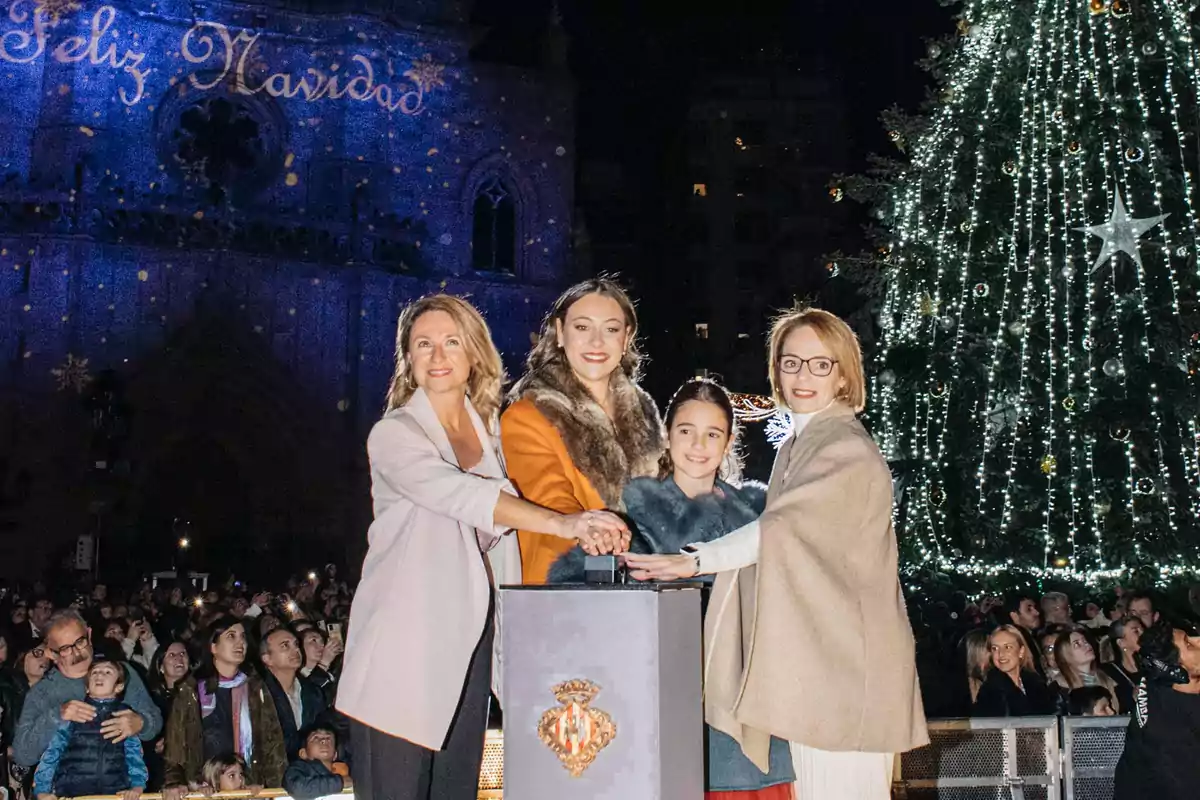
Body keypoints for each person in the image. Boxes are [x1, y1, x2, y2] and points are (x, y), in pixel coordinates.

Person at [626, 307, 928, 800]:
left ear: (845, 374)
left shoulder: (842, 445)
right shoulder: (800, 443)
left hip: (844, 678)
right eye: (791, 363)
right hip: (821, 670)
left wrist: (694, 560)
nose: (803, 377)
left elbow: (785, 527)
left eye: (820, 364)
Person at [337, 295, 629, 800]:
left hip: (469, 645)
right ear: (408, 357)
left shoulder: (492, 434)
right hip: (402, 650)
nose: (437, 354)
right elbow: (463, 496)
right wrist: (568, 524)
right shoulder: (395, 435)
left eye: (452, 341)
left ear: (474, 352)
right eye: (422, 344)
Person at [550, 379, 796, 799]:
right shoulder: (628, 520)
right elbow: (575, 602)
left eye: (712, 433)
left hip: (743, 714)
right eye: (686, 430)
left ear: (729, 440)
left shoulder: (759, 518)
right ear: (668, 434)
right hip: (657, 714)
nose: (698, 445)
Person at [501, 278, 665, 584]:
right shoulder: (527, 415)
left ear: (627, 338)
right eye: (582, 327)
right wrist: (591, 529)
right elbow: (548, 497)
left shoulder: (647, 414)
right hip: (563, 587)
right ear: (560, 333)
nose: (596, 342)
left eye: (611, 329)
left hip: (640, 591)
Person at [12, 611, 161, 770]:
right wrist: (57, 715)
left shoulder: (121, 672)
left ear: (89, 634)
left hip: (120, 787)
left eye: (80, 641)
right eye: (65, 648)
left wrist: (141, 723)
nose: (76, 652)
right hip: (68, 789)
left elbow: (155, 720)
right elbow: (22, 755)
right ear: (51, 653)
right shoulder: (42, 693)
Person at [162, 617, 285, 798]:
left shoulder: (255, 686)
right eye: (231, 636)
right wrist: (174, 781)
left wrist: (276, 788)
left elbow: (272, 741)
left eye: (243, 637)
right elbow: (176, 743)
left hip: (248, 786)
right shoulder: (192, 689)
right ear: (213, 647)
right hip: (203, 788)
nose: (240, 642)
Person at [32, 657, 148, 800]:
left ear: (119, 686)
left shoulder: (124, 716)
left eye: (107, 672)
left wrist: (137, 786)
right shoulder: (74, 711)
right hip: (72, 793)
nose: (99, 675)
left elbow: (134, 753)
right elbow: (52, 751)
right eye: (95, 672)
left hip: (114, 793)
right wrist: (42, 789)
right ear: (87, 687)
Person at [1113, 619, 1200, 799]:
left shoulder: (1159, 682)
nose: (1198, 640)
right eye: (1189, 644)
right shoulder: (1169, 733)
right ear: (1176, 671)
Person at [259, 627, 328, 760]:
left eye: (296, 644)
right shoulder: (260, 695)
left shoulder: (313, 692)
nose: (295, 650)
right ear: (267, 659)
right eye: (285, 646)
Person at [971, 626, 1057, 717]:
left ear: (1021, 651)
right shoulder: (991, 691)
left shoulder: (1035, 683)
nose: (1000, 654)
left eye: (1007, 647)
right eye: (995, 648)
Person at [1052, 629, 1121, 711]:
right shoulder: (1059, 690)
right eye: (1077, 644)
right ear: (1065, 655)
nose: (1086, 645)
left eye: (1085, 641)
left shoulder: (1108, 679)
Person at [283, 724, 352, 800]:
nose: (324, 741)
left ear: (335, 754)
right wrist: (339, 783)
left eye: (328, 738)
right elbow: (297, 788)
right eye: (316, 738)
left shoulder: (347, 771)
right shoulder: (297, 770)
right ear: (303, 753)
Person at [1103, 617, 1144, 714]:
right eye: (1136, 631)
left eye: (1142, 629)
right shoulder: (1110, 673)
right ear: (1121, 643)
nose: (1143, 634)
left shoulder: (1156, 665)